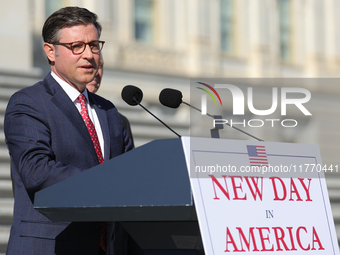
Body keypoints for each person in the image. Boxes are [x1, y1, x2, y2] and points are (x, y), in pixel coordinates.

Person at [4, 6, 133, 255]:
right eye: (77, 46)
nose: (89, 55)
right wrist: (105, 184)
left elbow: (130, 175)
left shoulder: (110, 112)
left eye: (94, 45)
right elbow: (37, 171)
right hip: (50, 247)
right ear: (50, 51)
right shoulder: (29, 102)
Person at [86, 55, 134, 147]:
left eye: (100, 66)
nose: (96, 72)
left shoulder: (119, 121)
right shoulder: (55, 113)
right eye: (89, 65)